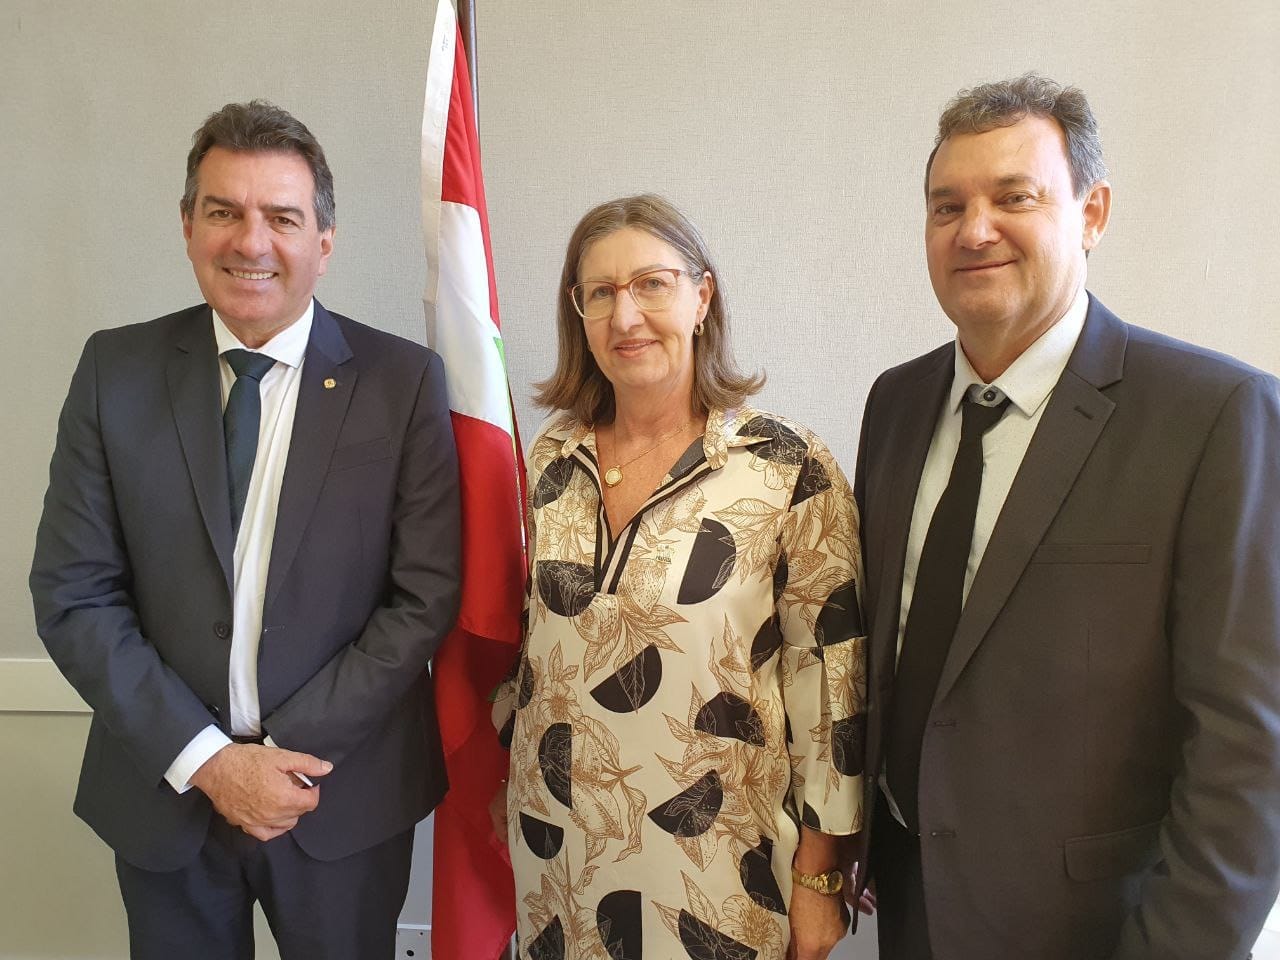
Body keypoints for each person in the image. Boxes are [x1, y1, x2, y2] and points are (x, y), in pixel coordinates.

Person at [852, 73, 1280, 959]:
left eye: (1014, 197)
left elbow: (1251, 748)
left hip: (1097, 930)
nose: (975, 230)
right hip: (907, 906)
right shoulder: (895, 404)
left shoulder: (1215, 416)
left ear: (1092, 213)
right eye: (947, 207)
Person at [29, 100, 461, 959]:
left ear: (324, 242)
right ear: (188, 225)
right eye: (223, 211)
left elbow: (424, 596)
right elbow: (74, 595)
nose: (250, 242)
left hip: (338, 798)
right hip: (165, 794)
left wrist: (281, 758)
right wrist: (211, 761)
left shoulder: (402, 383)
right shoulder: (115, 371)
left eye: (282, 218)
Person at [490, 194, 866, 960]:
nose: (625, 316)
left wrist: (820, 876)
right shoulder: (549, 460)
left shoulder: (786, 467)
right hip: (557, 863)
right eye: (601, 293)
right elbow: (523, 654)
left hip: (718, 871)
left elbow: (831, 687)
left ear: (702, 297)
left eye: (651, 285)